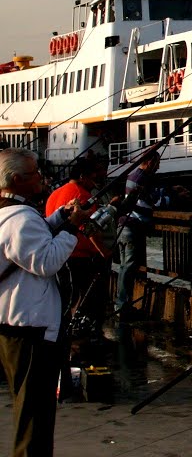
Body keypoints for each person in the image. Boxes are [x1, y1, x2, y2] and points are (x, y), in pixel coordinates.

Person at [0, 149, 90, 457]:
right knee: (34, 414)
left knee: (28, 406)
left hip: (14, 325)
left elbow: (30, 242)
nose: (41, 177)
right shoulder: (20, 218)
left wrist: (59, 218)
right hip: (31, 329)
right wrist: (72, 228)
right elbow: (46, 260)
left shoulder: (9, 213)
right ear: (15, 180)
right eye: (34, 173)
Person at [45, 156, 113, 337]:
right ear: (83, 176)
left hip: (61, 256)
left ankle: (68, 330)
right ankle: (86, 335)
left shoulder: (56, 193)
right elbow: (89, 228)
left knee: (67, 299)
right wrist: (103, 251)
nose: (99, 176)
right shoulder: (81, 195)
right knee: (89, 299)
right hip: (80, 257)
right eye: (95, 173)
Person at [114, 150, 170, 319]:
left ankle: (120, 304)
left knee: (124, 267)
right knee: (128, 268)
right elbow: (156, 202)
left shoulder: (132, 175)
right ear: (150, 162)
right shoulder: (143, 179)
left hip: (122, 226)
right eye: (157, 163)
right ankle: (122, 306)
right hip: (133, 227)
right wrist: (172, 195)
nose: (158, 167)